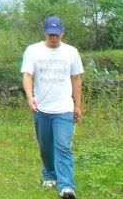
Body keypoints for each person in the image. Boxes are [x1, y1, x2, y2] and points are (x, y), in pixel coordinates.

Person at [21, 16, 84, 199]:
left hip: (64, 108)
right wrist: (30, 96)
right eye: (50, 35)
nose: (54, 38)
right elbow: (27, 75)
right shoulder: (33, 51)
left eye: (57, 35)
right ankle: (49, 174)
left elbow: (76, 79)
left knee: (63, 146)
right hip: (41, 109)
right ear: (45, 33)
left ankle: (66, 186)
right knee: (45, 147)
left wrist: (77, 105)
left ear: (62, 33)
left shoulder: (71, 52)